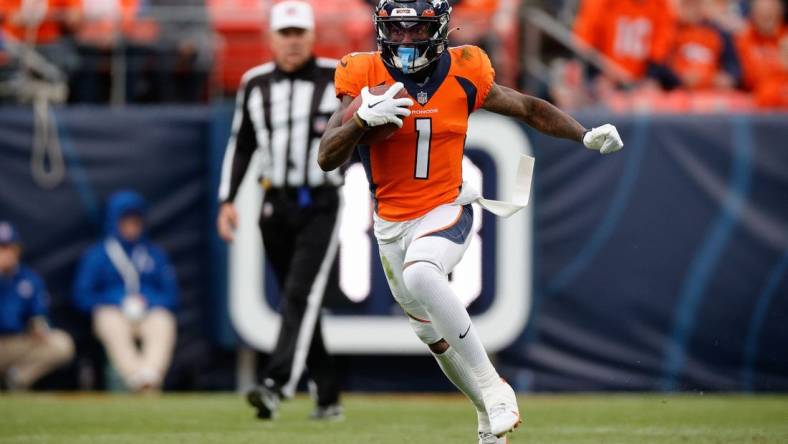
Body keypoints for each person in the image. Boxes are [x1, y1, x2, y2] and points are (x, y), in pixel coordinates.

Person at [317, 1, 623, 442]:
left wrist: (584, 134)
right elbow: (327, 156)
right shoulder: (362, 73)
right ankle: (487, 420)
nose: (404, 40)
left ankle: (495, 387)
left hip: (446, 207)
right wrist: (360, 121)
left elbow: (529, 108)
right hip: (390, 225)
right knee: (434, 339)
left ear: (439, 30)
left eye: (415, 30)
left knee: (423, 273)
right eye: (396, 30)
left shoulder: (465, 69)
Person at [216, 0, 343, 421]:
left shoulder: (336, 78)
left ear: (311, 36)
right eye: (284, 34)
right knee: (298, 300)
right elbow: (242, 143)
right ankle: (327, 396)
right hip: (274, 203)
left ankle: (276, 385)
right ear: (271, 38)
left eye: (299, 33)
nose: (292, 42)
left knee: (299, 295)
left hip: (321, 201)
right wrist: (227, 199)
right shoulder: (254, 83)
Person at [73, 190, 179, 391]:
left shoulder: (154, 254)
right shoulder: (97, 255)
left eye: (136, 220)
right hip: (115, 313)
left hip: (147, 313)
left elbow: (171, 295)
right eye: (126, 220)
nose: (132, 226)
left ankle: (150, 375)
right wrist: (117, 299)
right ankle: (137, 378)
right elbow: (82, 296)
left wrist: (146, 300)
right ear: (115, 221)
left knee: (164, 320)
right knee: (108, 319)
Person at [0, 221, 74, 390]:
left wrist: (39, 326)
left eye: (9, 247)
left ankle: (15, 380)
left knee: (61, 344)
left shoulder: (29, 279)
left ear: (17, 250)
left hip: (17, 342)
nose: (5, 253)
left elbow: (39, 314)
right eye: (1, 248)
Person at [573, 0, 678, 87]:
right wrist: (603, 70)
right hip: (601, 75)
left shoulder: (660, 6)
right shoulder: (602, 4)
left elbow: (660, 50)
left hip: (641, 81)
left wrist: (649, 78)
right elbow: (584, 43)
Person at [736, 0, 787, 90]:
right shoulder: (744, 39)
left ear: (780, 13)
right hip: (757, 96)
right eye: (761, 14)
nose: (766, 17)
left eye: (770, 14)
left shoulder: (785, 38)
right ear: (753, 15)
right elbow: (750, 78)